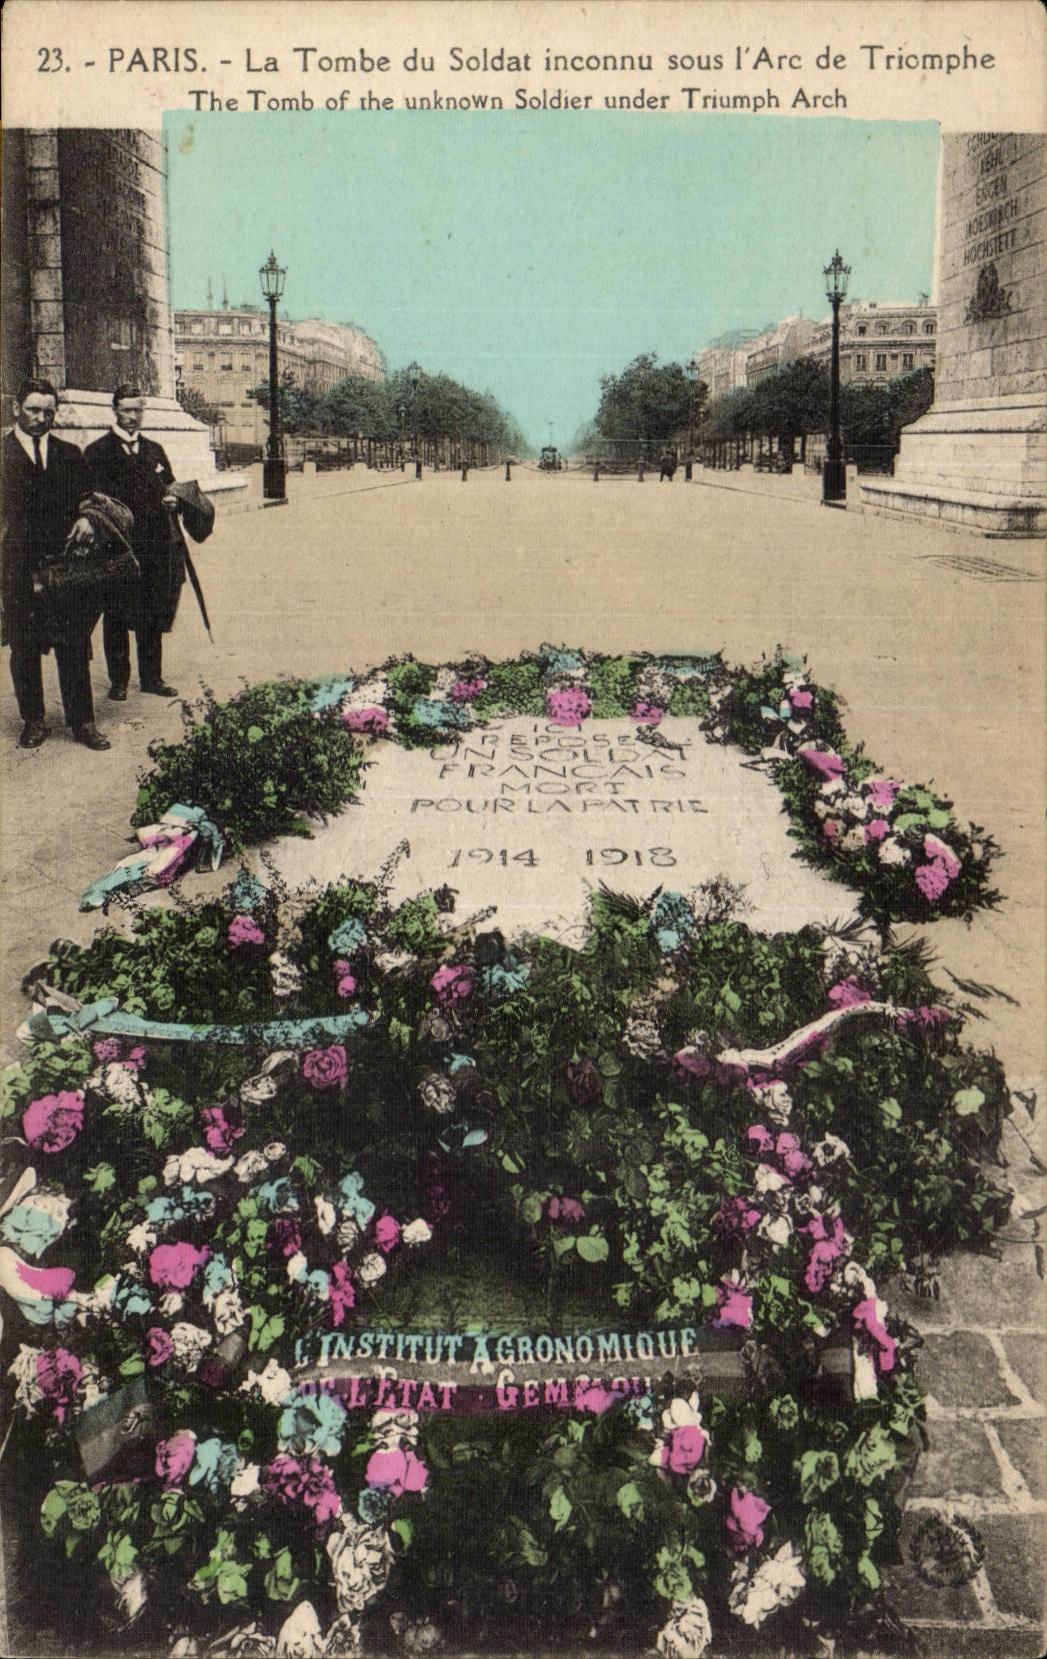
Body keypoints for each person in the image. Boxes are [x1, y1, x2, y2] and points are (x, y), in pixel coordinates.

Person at [1, 379, 112, 750]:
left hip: (66, 567)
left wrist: (89, 519)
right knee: (24, 647)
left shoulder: (69, 453)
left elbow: (91, 499)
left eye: (49, 410)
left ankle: (82, 722)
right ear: (17, 408)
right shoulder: (1, 454)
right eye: (33, 409)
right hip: (16, 567)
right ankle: (33, 720)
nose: (41, 417)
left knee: (75, 643)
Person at [85, 385, 183, 699]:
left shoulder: (154, 450)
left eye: (138, 409)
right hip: (117, 547)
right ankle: (119, 681)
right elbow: (90, 500)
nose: (133, 416)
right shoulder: (97, 451)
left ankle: (152, 678)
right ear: (115, 409)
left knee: (151, 612)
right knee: (116, 613)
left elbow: (171, 485)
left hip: (154, 546)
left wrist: (172, 499)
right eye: (127, 409)